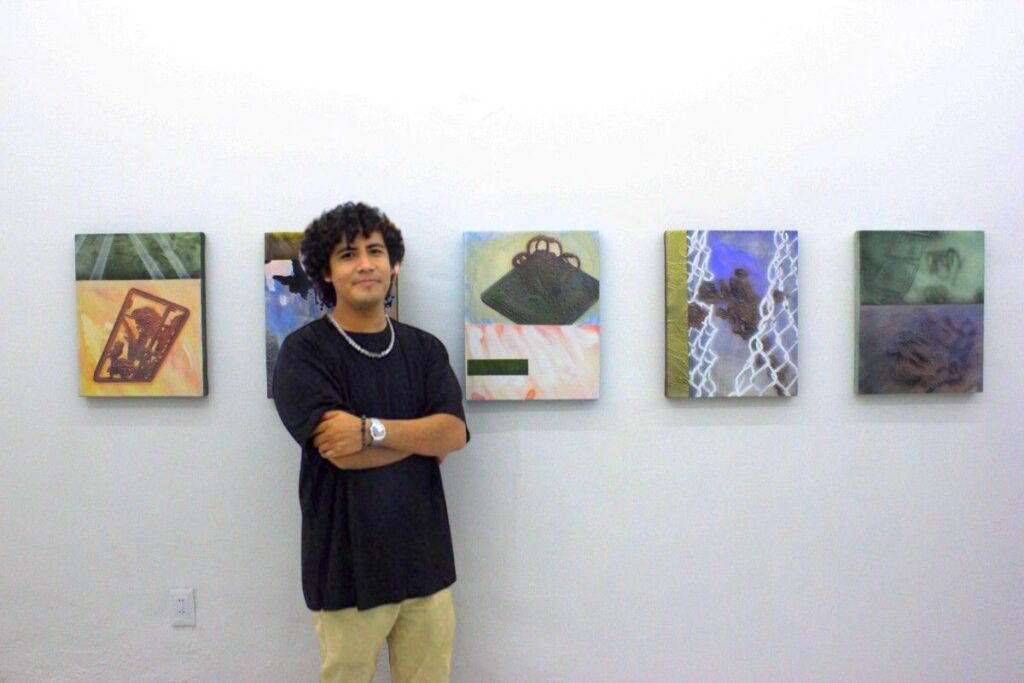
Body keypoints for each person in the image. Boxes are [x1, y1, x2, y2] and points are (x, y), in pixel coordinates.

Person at [272, 202, 469, 683]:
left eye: (376, 251)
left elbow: (454, 434)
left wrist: (371, 430)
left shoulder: (424, 349)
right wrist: (420, 437)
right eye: (348, 254)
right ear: (327, 272)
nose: (365, 264)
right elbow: (342, 453)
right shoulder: (303, 353)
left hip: (426, 566)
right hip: (344, 570)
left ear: (393, 264)